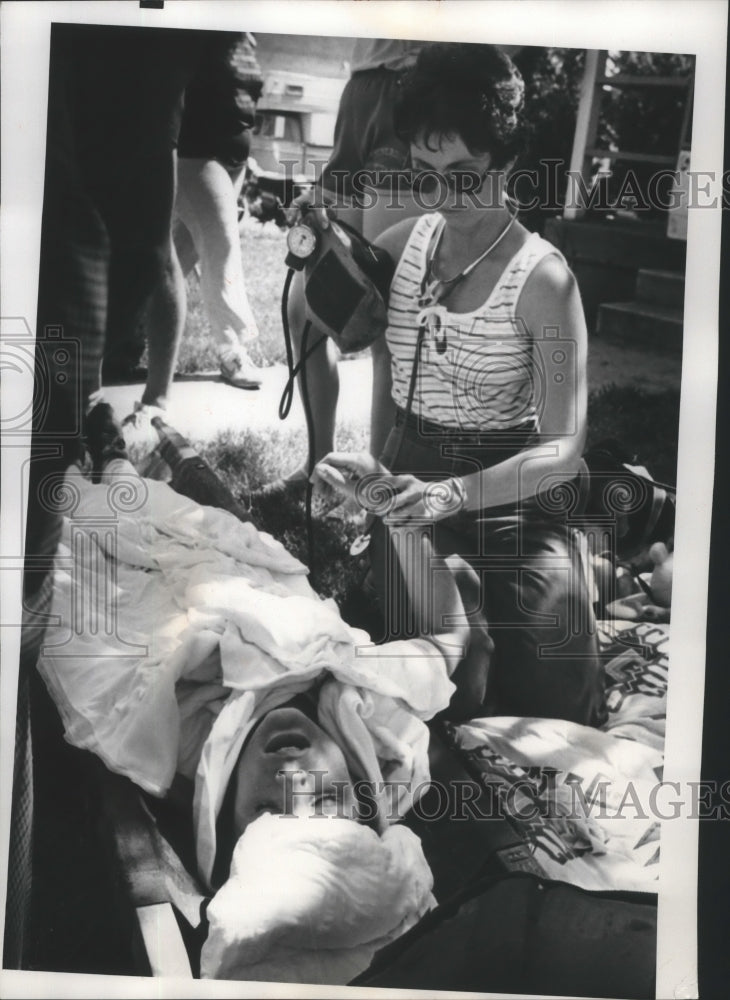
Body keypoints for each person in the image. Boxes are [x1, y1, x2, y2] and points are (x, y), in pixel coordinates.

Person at [315, 43, 607, 728]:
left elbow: (562, 449)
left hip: (512, 493)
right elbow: (330, 326)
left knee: (557, 699)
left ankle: (578, 568)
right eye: (425, 173)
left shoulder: (545, 281)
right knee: (461, 670)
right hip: (414, 490)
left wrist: (457, 492)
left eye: (465, 175)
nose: (445, 196)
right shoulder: (405, 240)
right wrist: (318, 251)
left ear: (507, 161)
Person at [259, 38, 425, 495]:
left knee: (388, 319)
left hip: (415, 87)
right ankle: (321, 469)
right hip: (361, 95)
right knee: (304, 311)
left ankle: (379, 489)